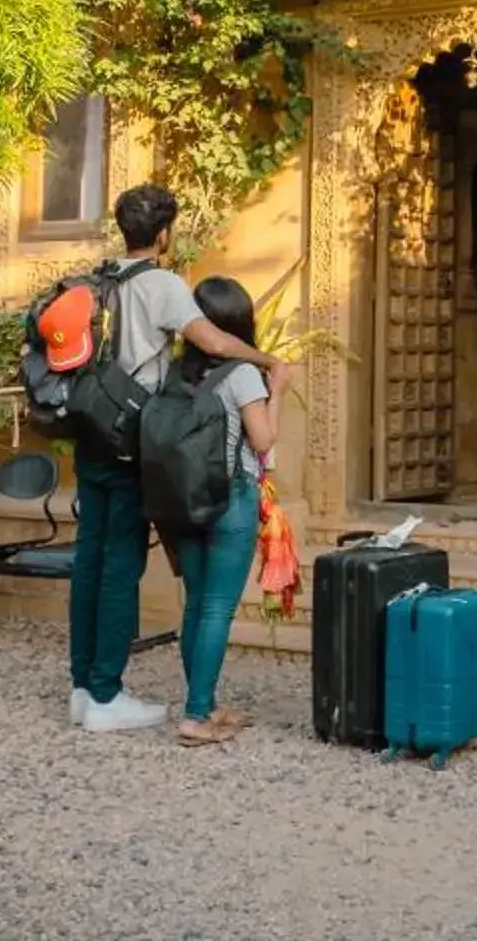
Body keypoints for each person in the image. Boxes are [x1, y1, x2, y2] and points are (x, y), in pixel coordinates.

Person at [68, 183, 286, 732]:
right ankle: (105, 694)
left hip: (89, 431)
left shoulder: (101, 276)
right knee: (121, 566)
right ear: (163, 234)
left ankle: (82, 686)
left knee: (89, 561)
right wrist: (266, 360)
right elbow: (211, 342)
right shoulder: (160, 283)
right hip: (125, 441)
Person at [166, 275, 277, 746]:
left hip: (182, 498)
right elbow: (264, 440)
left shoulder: (175, 372)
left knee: (196, 603)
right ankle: (195, 715)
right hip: (231, 497)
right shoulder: (244, 373)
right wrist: (282, 393)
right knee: (217, 608)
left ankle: (205, 704)